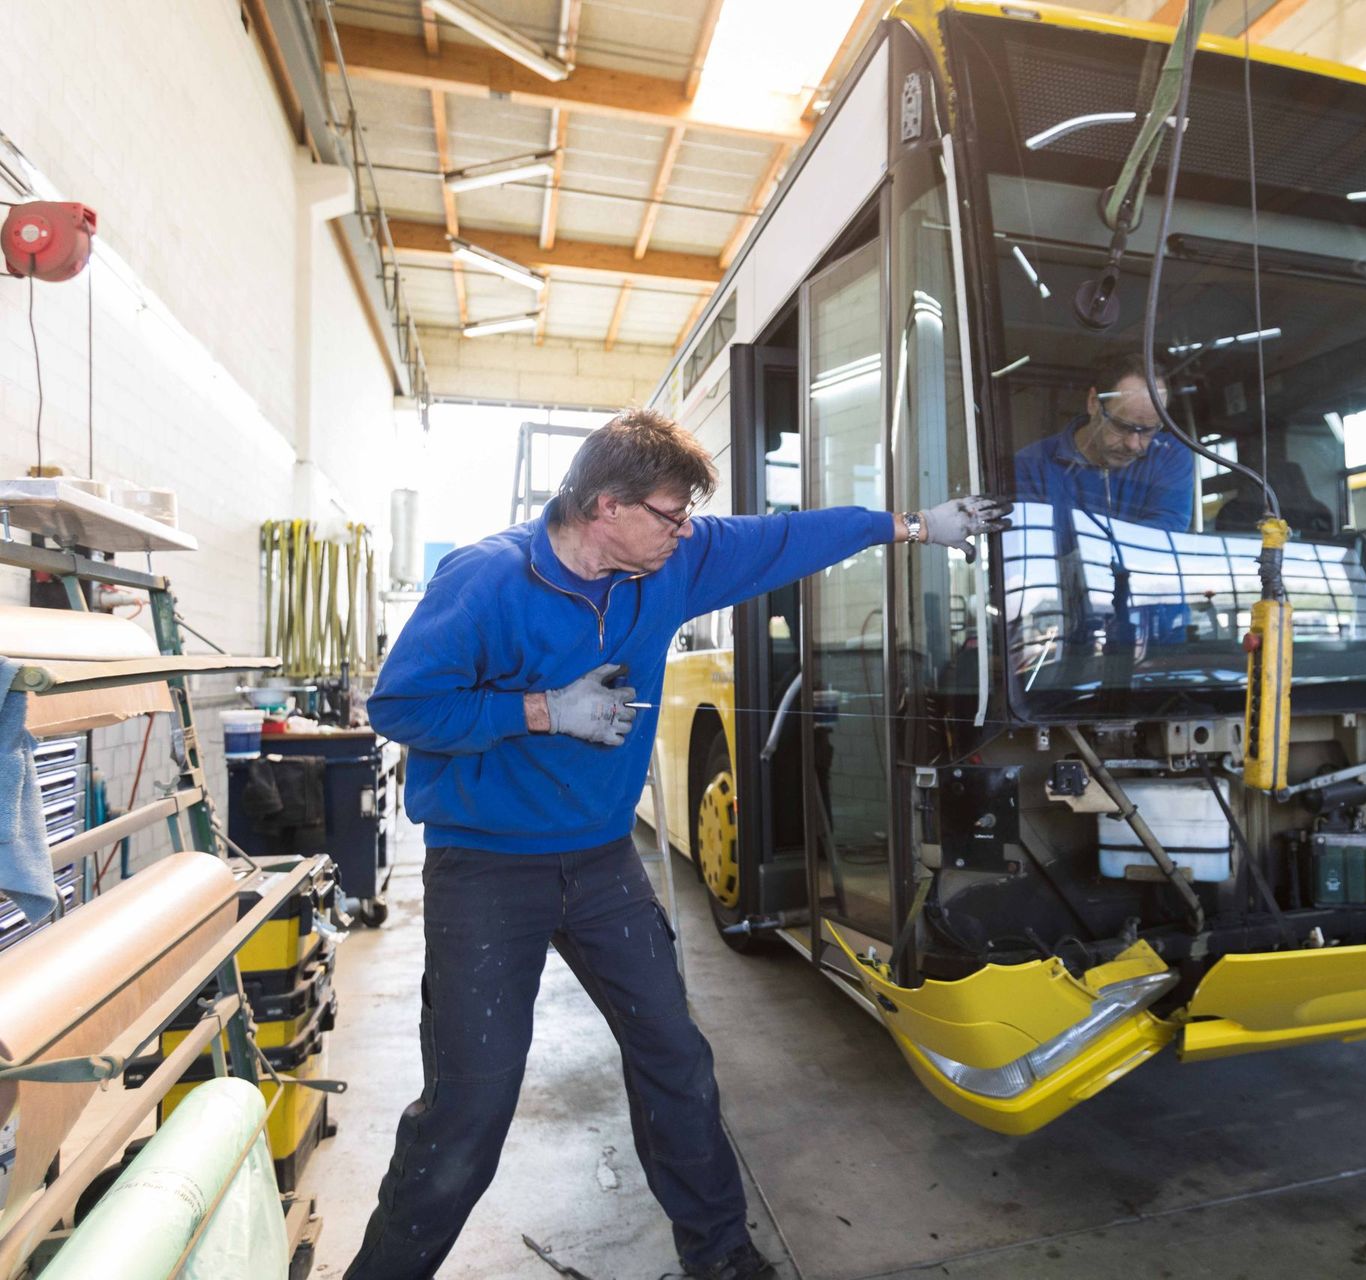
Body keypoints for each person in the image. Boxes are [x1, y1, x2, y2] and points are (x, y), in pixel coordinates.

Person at [347, 409, 1007, 1280]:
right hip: (485, 867)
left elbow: (782, 539)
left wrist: (913, 526)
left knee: (675, 1059)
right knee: (472, 1104)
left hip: (599, 861)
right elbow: (398, 708)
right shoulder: (486, 580)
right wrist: (543, 710)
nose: (685, 530)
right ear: (605, 506)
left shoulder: (671, 564)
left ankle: (723, 1261)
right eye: (669, 513)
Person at [1012, 351, 1195, 532]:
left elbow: (1165, 534)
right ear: (1093, 402)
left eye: (1148, 430)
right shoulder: (1030, 466)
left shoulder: (1170, 454)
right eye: (1121, 426)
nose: (1133, 444)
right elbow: (1033, 541)